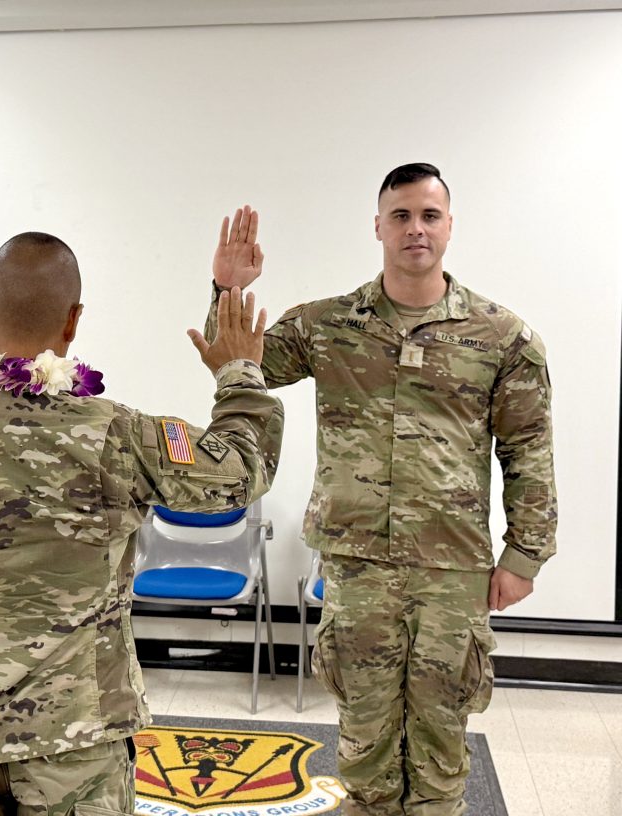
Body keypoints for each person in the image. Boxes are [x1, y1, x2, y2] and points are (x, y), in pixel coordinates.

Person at [0, 231, 284, 816]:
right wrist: (238, 373)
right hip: (75, 741)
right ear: (74, 321)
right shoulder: (116, 434)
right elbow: (240, 471)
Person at [207, 165, 556, 815]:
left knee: (440, 734)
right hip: (358, 563)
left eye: (428, 215)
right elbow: (241, 362)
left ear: (449, 226)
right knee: (364, 734)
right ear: (378, 227)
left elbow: (529, 449)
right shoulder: (328, 325)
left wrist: (524, 555)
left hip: (452, 568)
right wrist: (227, 291)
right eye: (400, 216)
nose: (415, 229)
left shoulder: (502, 337)